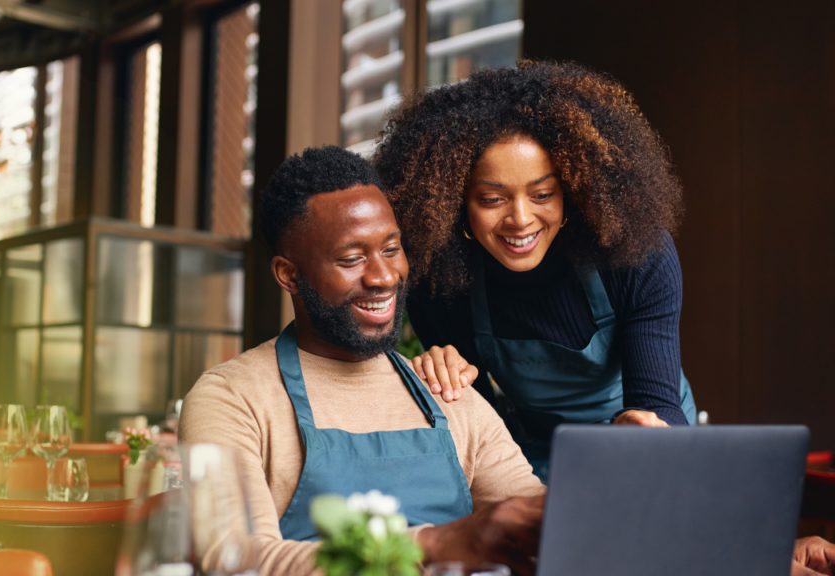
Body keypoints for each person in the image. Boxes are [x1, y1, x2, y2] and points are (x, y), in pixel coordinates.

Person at [179, 146, 546, 576]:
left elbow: (536, 524)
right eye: (351, 259)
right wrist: (434, 544)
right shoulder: (231, 398)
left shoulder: (446, 390)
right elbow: (234, 558)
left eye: (391, 249)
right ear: (288, 274)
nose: (384, 277)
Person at [373, 60, 697, 482]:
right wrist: (445, 381)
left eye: (543, 193)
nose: (521, 219)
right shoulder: (440, 283)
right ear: (454, 205)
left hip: (647, 444)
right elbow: (482, 428)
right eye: (492, 199)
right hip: (537, 455)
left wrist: (645, 430)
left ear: (573, 190)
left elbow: (659, 402)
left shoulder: (635, 255)